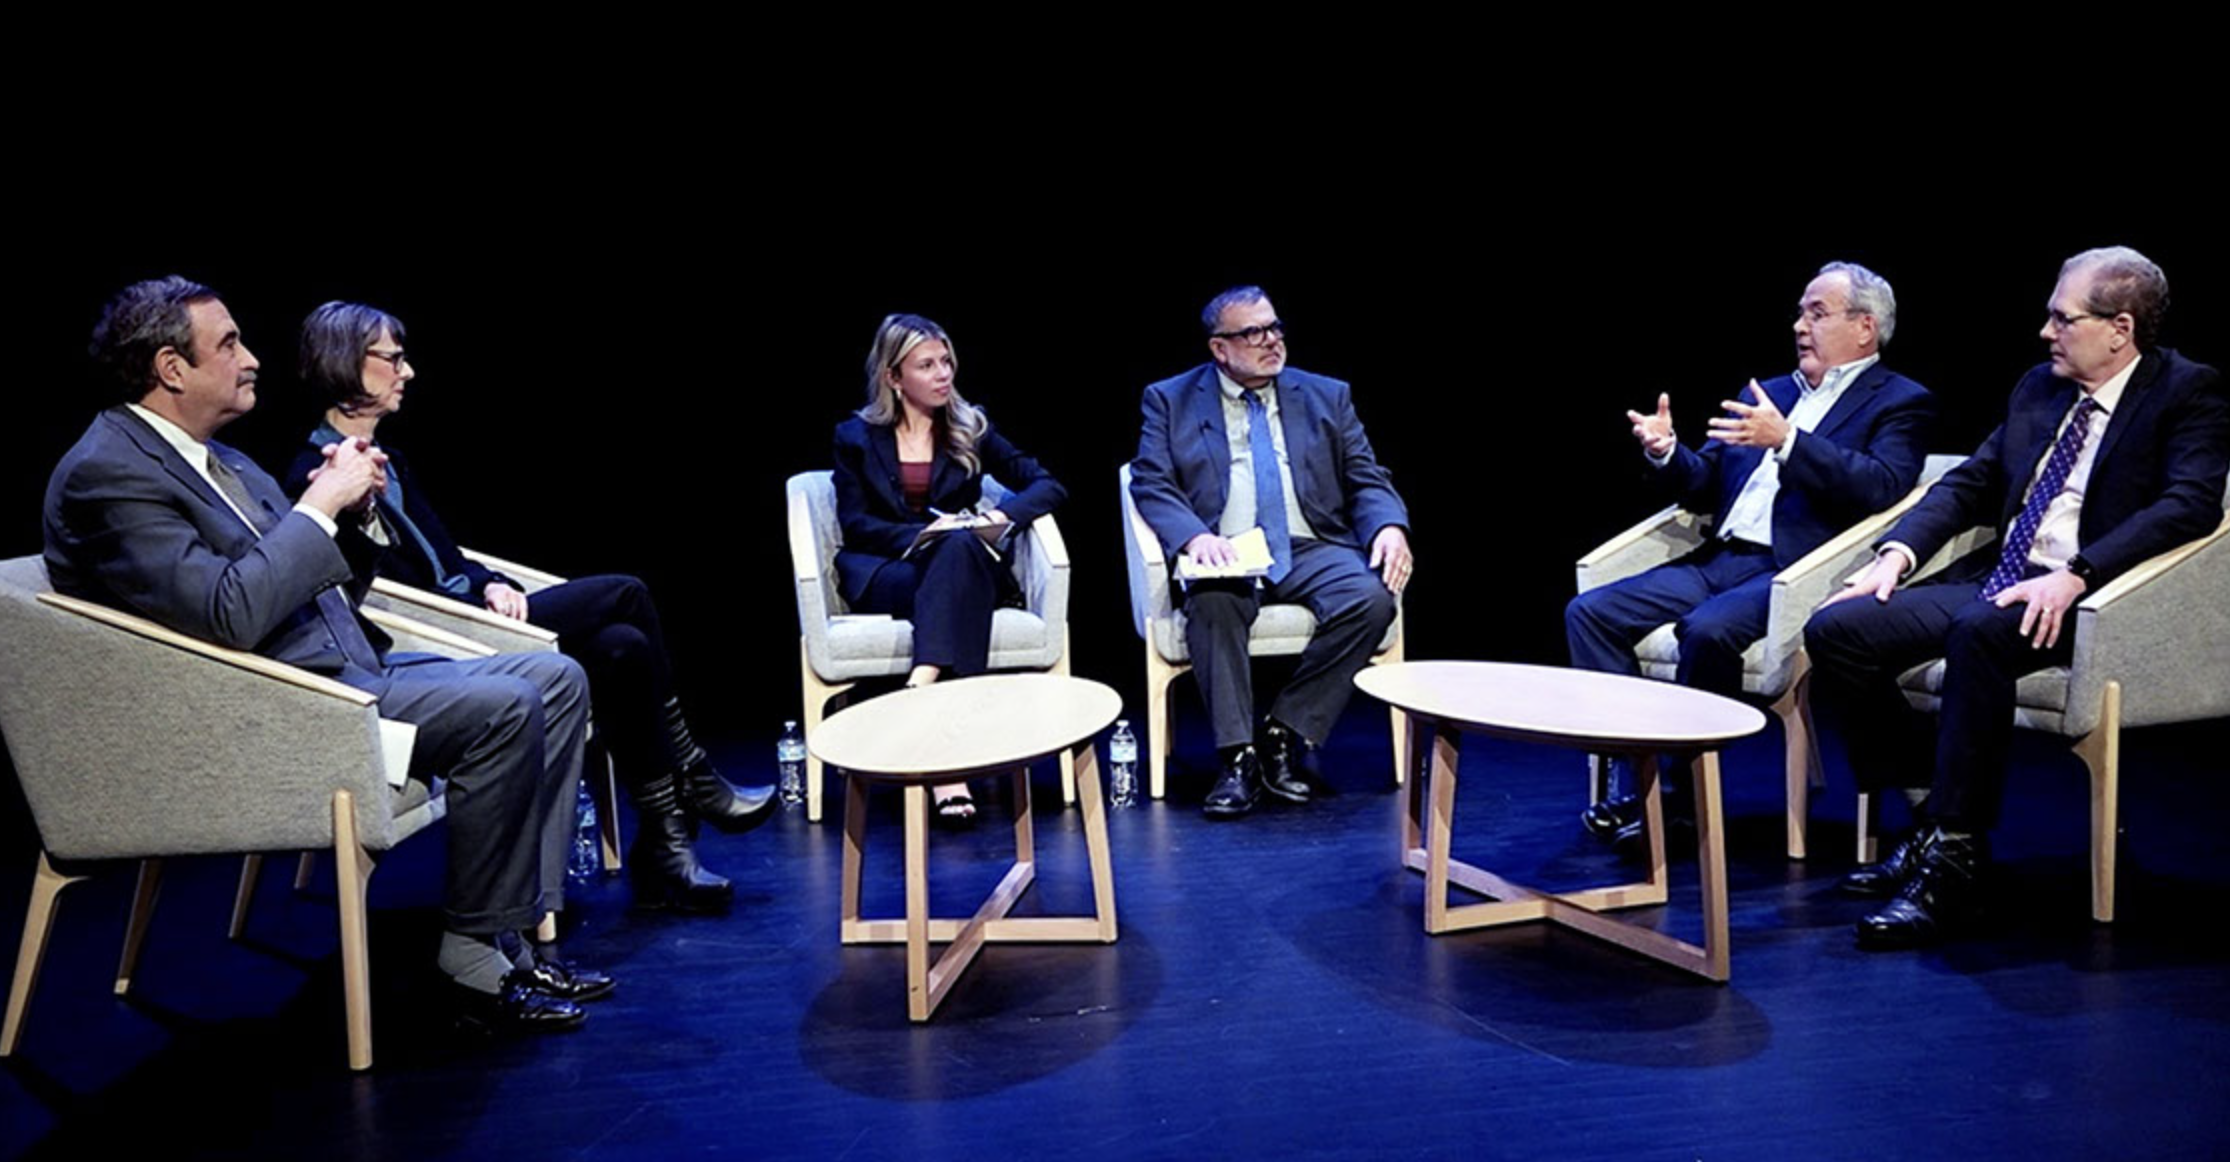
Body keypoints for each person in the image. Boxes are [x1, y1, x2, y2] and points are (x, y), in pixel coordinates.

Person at [45, 277, 604, 1032]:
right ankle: (470, 957)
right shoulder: (110, 472)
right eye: (230, 344)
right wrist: (318, 505)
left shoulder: (222, 461)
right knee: (504, 707)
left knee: (558, 676)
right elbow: (228, 612)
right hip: (279, 707)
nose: (251, 361)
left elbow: (320, 584)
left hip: (345, 669)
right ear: (172, 368)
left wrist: (353, 517)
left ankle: (517, 929)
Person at [1807, 246, 2230, 949]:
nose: (2046, 331)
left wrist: (2081, 572)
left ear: (2120, 327)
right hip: (2001, 580)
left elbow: (2188, 506)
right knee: (1839, 629)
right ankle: (1929, 819)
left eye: (2063, 319)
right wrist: (1896, 555)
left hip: (2093, 599)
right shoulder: (2040, 387)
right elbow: (1971, 483)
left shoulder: (2188, 392)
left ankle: (1955, 866)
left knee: (1977, 632)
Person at [289, 301, 771, 915]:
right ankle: (693, 776)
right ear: (347, 366)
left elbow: (447, 553)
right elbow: (358, 586)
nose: (408, 372)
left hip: (476, 609)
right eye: (394, 358)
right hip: (445, 640)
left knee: (624, 647)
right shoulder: (314, 472)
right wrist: (358, 514)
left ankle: (667, 847)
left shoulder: (393, 459)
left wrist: (490, 581)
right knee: (627, 592)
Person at [1566, 261, 1935, 848]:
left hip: (1797, 571)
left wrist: (1788, 441)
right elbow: (1705, 484)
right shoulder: (1769, 392)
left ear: (1865, 328)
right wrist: (1668, 453)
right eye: (1799, 312)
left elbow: (1882, 485)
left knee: (1706, 633)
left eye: (1817, 313)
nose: (1799, 325)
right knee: (1590, 612)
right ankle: (1633, 782)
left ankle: (1685, 808)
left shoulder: (1899, 401)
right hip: (1721, 559)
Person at [1129, 286, 1410, 819]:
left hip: (1310, 543)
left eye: (1275, 328)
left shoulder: (1327, 395)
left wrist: (1390, 526)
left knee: (1371, 599)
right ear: (1220, 348)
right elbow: (1151, 481)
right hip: (1225, 546)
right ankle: (1237, 758)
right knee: (1213, 604)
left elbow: (1366, 478)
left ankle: (1286, 732)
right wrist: (1194, 537)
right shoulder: (1169, 398)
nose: (1271, 342)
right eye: (1253, 333)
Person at [832, 313, 1067, 824]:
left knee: (960, 549)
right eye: (926, 365)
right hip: (890, 571)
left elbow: (1047, 485)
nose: (943, 375)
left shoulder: (971, 427)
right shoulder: (855, 437)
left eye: (946, 362)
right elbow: (854, 524)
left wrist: (998, 516)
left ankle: (919, 700)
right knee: (952, 557)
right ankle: (949, 752)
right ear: (894, 378)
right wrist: (919, 535)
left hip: (962, 568)